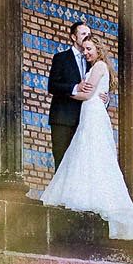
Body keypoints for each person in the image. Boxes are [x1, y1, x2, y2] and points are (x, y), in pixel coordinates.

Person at [37, 35, 133, 240]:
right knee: (84, 152)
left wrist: (67, 93)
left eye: (89, 49)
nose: (86, 53)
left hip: (93, 113)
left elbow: (87, 94)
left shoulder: (99, 66)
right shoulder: (95, 67)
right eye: (84, 49)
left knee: (92, 151)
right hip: (89, 112)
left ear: (98, 49)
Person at [46, 20, 90, 169]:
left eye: (89, 34)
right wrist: (75, 87)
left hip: (84, 120)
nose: (87, 36)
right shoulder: (61, 58)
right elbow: (52, 86)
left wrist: (105, 99)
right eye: (83, 33)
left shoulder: (92, 62)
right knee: (62, 161)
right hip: (63, 119)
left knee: (80, 166)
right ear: (73, 37)